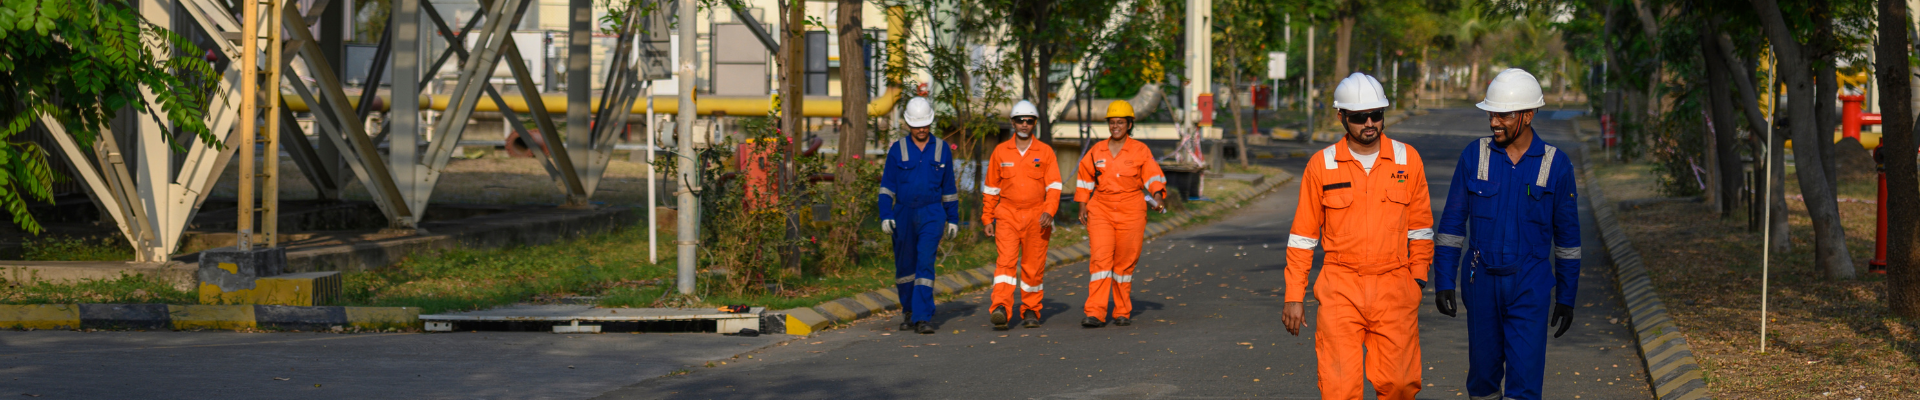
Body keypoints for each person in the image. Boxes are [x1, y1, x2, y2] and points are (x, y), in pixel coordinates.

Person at [1281, 72, 1435, 400]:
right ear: (1341, 117)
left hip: (1395, 288)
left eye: (1376, 115)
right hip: (1341, 289)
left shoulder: (1408, 160)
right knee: (1338, 388)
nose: (1370, 123)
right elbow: (1302, 237)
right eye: (1359, 117)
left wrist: (1417, 279)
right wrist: (1294, 295)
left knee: (1401, 384)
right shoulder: (1321, 165)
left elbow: (1421, 229)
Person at [1431, 68, 1582, 400]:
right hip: (1481, 284)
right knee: (1482, 382)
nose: (1494, 122)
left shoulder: (1556, 165)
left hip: (1530, 286)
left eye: (1504, 115)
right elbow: (1452, 227)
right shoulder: (1475, 155)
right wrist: (1443, 280)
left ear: (1527, 115)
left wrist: (1567, 297)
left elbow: (1568, 241)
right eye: (1491, 114)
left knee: (1524, 384)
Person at [1074, 99, 1167, 328]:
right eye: (1112, 122)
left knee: (1124, 264)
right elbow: (1085, 177)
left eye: (1120, 122)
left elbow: (1153, 176)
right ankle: (1095, 312)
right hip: (1101, 210)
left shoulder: (1140, 150)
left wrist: (1157, 197)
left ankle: (1122, 310)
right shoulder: (1097, 150)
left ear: (1129, 124)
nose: (1115, 126)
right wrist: (1082, 204)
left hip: (1131, 210)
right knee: (1100, 260)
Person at [880, 97, 960, 335]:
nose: (922, 129)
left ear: (930, 122)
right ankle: (908, 311)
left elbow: (949, 188)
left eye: (925, 124)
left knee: (925, 262)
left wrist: (953, 218)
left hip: (932, 213)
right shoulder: (897, 149)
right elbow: (886, 187)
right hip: (903, 212)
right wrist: (886, 214)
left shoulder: (942, 149)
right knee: (905, 266)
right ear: (908, 124)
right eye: (917, 125)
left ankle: (923, 317)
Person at [982, 100, 1063, 330]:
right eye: (1020, 120)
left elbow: (1054, 187)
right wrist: (987, 217)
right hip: (1007, 215)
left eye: (1029, 121)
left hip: (1038, 216)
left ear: (1035, 123)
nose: (1024, 125)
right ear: (1013, 123)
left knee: (1032, 266)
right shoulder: (1000, 151)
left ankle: (1030, 310)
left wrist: (1049, 211)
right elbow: (991, 189)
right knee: (1005, 264)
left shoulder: (1045, 152)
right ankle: (1000, 309)